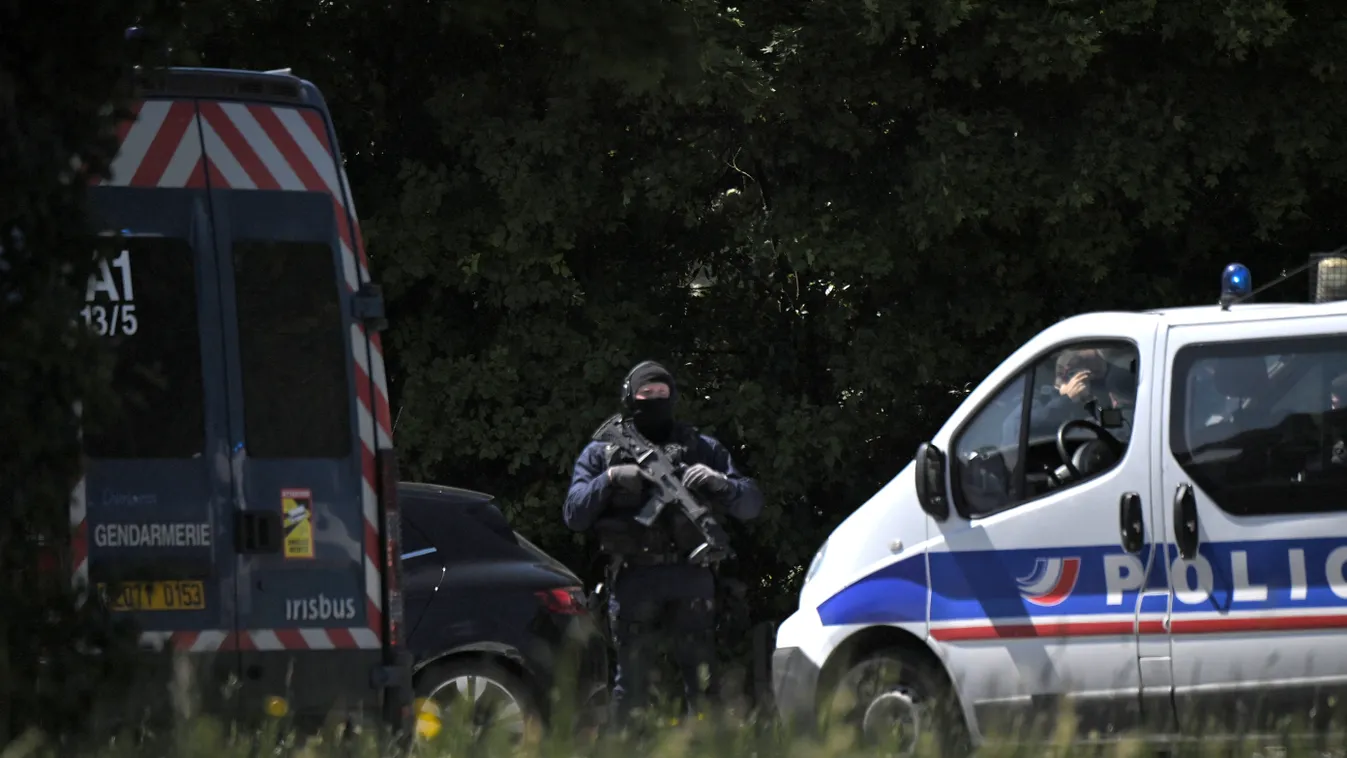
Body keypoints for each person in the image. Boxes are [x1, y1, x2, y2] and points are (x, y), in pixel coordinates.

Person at [563, 360, 763, 729]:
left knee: (703, 686)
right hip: (634, 578)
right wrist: (609, 478)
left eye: (662, 392)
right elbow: (574, 514)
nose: (655, 399)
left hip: (692, 576)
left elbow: (751, 505)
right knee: (632, 691)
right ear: (630, 397)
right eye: (646, 393)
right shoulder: (604, 452)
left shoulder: (701, 447)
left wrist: (723, 483)